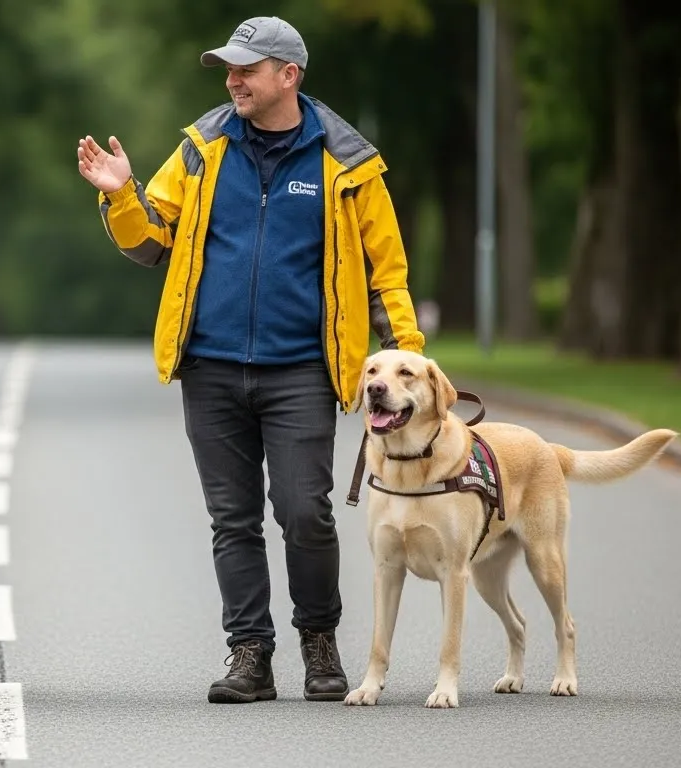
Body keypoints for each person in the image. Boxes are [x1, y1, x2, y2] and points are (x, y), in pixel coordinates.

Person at [77, 16, 424, 704]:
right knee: (231, 519)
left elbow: (386, 273)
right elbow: (149, 244)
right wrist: (121, 195)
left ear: (288, 75)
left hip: (301, 369)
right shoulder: (201, 150)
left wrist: (407, 359)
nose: (233, 80)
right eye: (228, 70)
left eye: (246, 69)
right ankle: (249, 654)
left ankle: (318, 641)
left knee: (303, 511)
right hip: (209, 366)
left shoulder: (348, 164)